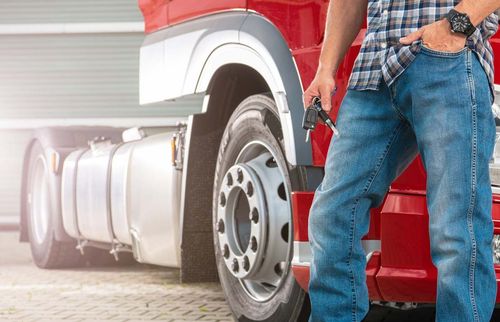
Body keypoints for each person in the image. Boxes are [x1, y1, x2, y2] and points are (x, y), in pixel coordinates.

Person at [302, 0, 500, 321]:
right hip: (373, 69)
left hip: (446, 62)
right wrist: (325, 69)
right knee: (333, 213)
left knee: (457, 229)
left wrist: (455, 26)